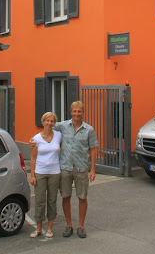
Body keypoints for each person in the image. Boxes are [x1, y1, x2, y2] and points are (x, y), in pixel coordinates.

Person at [33, 101, 98, 238]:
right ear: (71, 112)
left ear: (83, 112)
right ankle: (69, 225)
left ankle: (81, 226)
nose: (76, 114)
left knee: (82, 197)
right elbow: (48, 124)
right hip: (65, 167)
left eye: (79, 111)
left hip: (81, 167)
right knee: (66, 196)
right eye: (74, 111)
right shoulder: (63, 126)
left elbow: (93, 149)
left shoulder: (89, 130)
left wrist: (92, 169)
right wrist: (35, 140)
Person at [29, 112, 62, 238]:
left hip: (55, 172)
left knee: (52, 200)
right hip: (40, 172)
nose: (49, 123)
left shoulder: (59, 135)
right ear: (43, 122)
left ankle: (49, 228)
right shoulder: (36, 138)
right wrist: (32, 175)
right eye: (47, 121)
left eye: (52, 121)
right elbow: (33, 157)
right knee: (39, 200)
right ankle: (38, 228)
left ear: (54, 123)